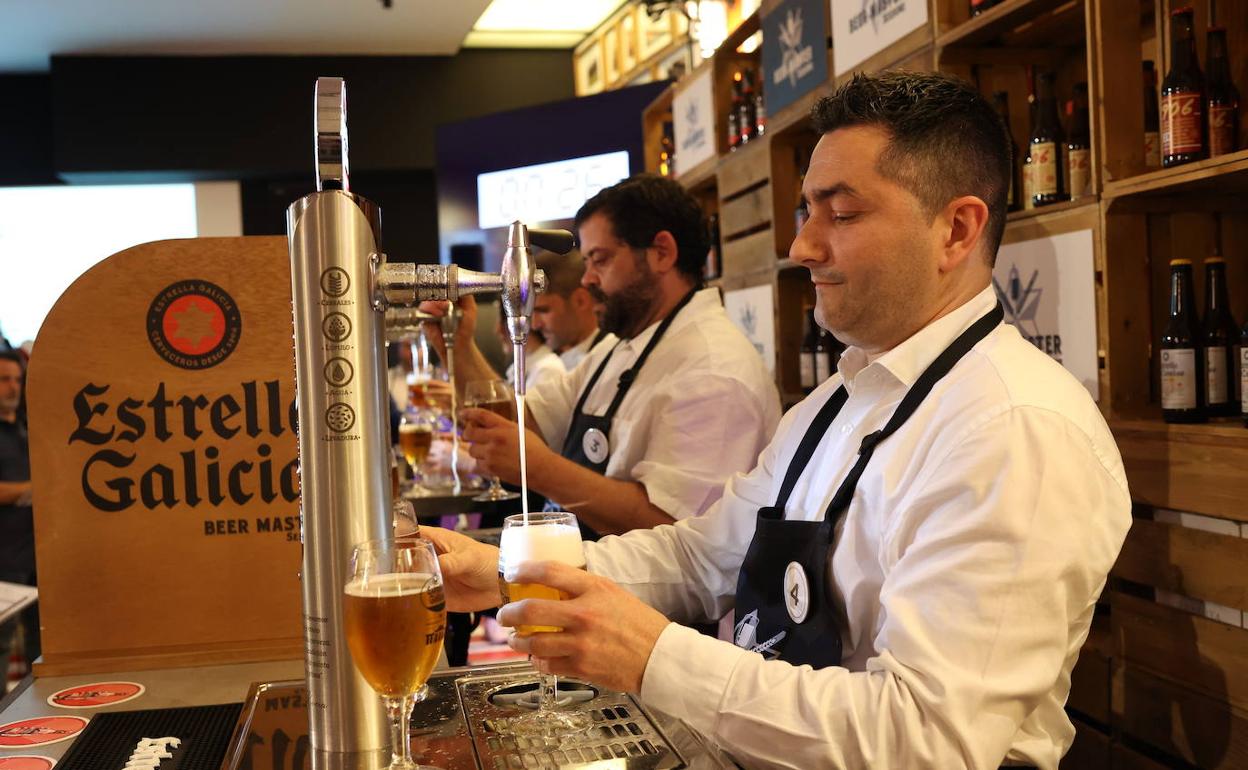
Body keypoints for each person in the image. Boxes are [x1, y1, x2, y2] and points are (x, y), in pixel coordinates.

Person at [423, 72, 1132, 769]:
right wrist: (509, 573)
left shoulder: (1014, 430)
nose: (803, 247)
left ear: (956, 228)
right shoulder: (836, 401)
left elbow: (929, 740)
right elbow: (703, 556)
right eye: (806, 212)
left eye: (842, 214)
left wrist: (656, 657)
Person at [424, 174, 781, 537]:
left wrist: (538, 468)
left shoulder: (713, 368)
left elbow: (677, 533)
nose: (587, 280)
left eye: (600, 260)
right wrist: (456, 344)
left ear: (662, 252)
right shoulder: (620, 346)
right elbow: (522, 424)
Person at [0, 349, 38, 669]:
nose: (13, 386)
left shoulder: (26, 430)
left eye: (17, 379)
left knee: (39, 653)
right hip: (3, 564)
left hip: (34, 560)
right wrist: (30, 489)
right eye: (4, 379)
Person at [530, 250, 607, 370]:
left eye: (543, 310)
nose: (535, 325)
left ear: (580, 301)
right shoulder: (550, 361)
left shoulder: (610, 360)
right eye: (530, 313)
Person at [497, 299, 566, 393]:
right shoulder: (526, 367)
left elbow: (516, 406)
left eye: (501, 320)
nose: (497, 330)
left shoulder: (548, 370)